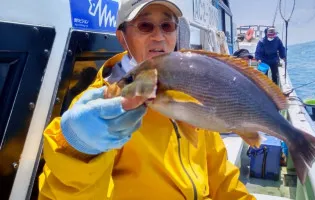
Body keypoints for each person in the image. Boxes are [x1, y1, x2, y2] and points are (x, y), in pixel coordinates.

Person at [38, 0, 255, 199]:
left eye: (167, 26)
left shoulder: (191, 85)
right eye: (145, 26)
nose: (159, 37)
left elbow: (220, 175)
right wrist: (80, 150)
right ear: (123, 38)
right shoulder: (104, 106)